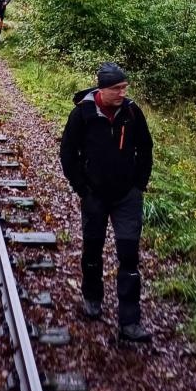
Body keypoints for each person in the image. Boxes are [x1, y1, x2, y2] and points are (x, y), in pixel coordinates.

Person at [59, 62, 153, 343]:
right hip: (95, 196)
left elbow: (145, 148)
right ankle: (92, 297)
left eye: (125, 87)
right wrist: (82, 188)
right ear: (103, 89)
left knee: (128, 255)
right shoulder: (82, 114)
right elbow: (67, 152)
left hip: (127, 197)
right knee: (92, 248)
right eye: (118, 88)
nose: (123, 92)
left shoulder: (132, 113)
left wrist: (139, 185)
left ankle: (130, 321)